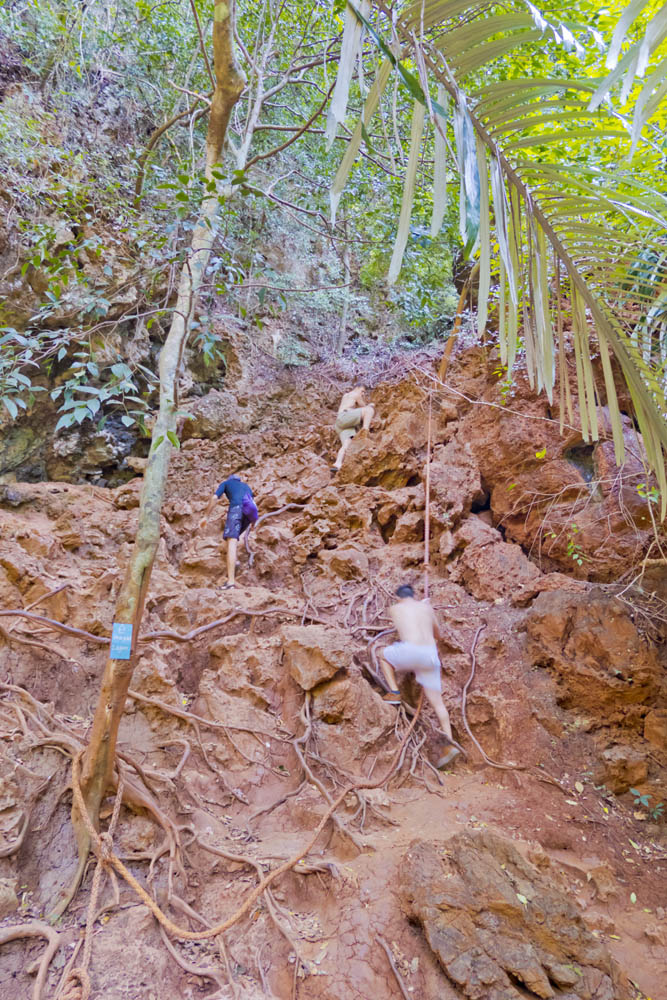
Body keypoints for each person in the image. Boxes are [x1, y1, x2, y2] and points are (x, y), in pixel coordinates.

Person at [379, 584, 462, 768]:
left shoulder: (395, 608)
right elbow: (438, 635)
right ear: (413, 595)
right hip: (430, 656)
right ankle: (449, 744)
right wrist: (425, 608)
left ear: (399, 597)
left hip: (411, 651)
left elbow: (400, 628)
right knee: (438, 704)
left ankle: (394, 692)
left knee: (382, 655)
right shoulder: (426, 607)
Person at [200, 474, 258, 589]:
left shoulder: (226, 483)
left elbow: (215, 498)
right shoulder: (246, 486)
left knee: (231, 541)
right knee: (232, 540)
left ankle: (231, 582)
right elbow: (253, 505)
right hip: (249, 514)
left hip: (236, 509)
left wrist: (206, 516)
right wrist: (253, 523)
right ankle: (234, 563)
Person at [332, 385, 374, 473]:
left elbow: (353, 408)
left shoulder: (346, 395)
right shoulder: (355, 394)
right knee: (369, 410)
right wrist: (370, 405)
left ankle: (338, 463)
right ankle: (365, 431)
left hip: (340, 424)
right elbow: (363, 406)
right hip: (345, 417)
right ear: (357, 388)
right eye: (362, 391)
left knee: (348, 443)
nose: (362, 394)